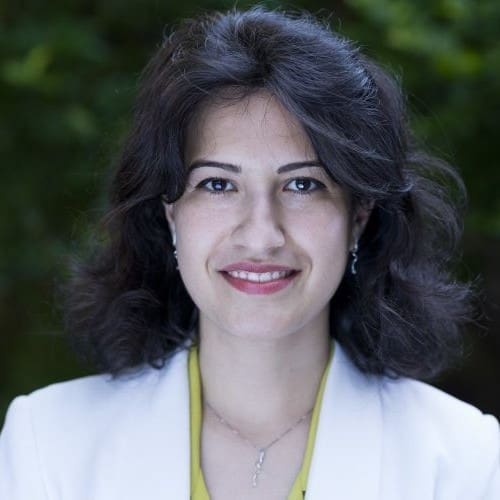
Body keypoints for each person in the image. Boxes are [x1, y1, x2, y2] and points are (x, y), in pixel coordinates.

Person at [1, 6, 499, 500]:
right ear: (170, 211)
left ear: (359, 215)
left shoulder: (466, 462)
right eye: (218, 184)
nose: (261, 237)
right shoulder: (49, 446)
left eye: (303, 185)